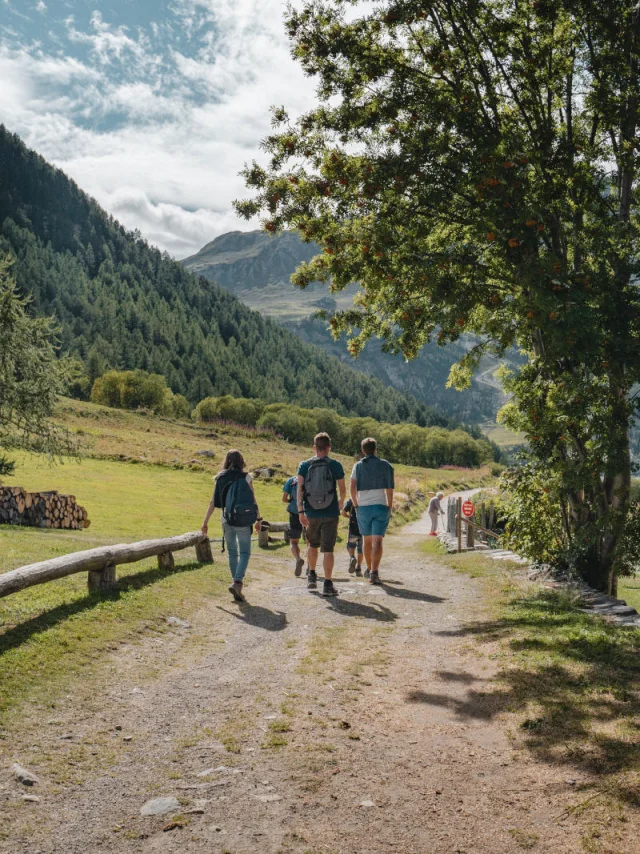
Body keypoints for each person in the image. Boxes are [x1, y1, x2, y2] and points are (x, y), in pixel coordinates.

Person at [201, 449, 262, 603]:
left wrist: (205, 522)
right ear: (241, 461)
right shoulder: (246, 477)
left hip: (226, 518)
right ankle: (237, 583)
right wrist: (258, 519)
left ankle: (236, 583)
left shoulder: (220, 477)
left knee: (232, 553)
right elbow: (253, 500)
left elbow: (213, 502)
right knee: (245, 553)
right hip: (243, 518)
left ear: (226, 461)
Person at [297, 432, 346, 597]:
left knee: (312, 544)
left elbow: (300, 490)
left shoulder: (304, 465)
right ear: (329, 448)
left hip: (310, 511)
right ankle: (327, 584)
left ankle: (311, 575)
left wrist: (300, 511)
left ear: (314, 448)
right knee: (328, 549)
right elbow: (342, 489)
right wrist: (340, 503)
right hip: (330, 512)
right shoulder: (336, 465)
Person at [351, 437, 394, 585]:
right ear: (375, 449)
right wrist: (390, 505)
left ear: (363, 451)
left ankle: (369, 570)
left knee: (367, 541)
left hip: (363, 507)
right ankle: (375, 572)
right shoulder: (386, 465)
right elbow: (389, 488)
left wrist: (356, 504)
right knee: (378, 541)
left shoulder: (358, 466)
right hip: (380, 505)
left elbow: (352, 488)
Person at [282, 474, 305, 576]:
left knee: (294, 541)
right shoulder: (311, 479)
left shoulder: (291, 480)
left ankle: (298, 558)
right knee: (310, 542)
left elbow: (284, 499)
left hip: (295, 513)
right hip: (309, 513)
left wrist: (290, 500)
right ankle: (310, 567)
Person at [342, 497, 363, 576]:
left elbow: (343, 512)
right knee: (361, 549)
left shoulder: (351, 500)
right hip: (364, 528)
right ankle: (358, 567)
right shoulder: (365, 499)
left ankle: (352, 557)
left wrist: (349, 517)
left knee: (351, 545)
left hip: (353, 528)